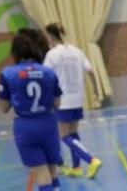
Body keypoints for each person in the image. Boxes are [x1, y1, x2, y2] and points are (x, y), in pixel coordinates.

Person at [0, 34, 70, 191]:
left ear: (15, 52)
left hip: (25, 126)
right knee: (52, 171)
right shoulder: (48, 72)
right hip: (47, 124)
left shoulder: (8, 74)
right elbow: (57, 103)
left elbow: (3, 107)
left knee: (41, 175)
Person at [44, 23, 102, 179]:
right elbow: (90, 71)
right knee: (73, 133)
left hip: (63, 100)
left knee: (64, 136)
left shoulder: (52, 54)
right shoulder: (77, 51)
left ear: (50, 36)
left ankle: (91, 160)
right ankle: (76, 168)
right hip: (78, 97)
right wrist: (96, 89)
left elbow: (46, 76)